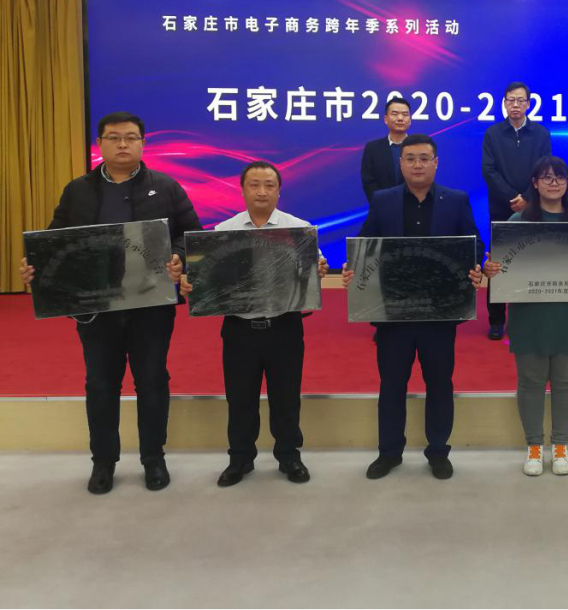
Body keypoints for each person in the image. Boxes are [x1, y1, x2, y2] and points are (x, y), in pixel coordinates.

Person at [19, 112, 200, 495]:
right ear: (100, 143)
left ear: (142, 143)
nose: (122, 144)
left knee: (152, 381)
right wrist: (36, 265)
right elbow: (54, 238)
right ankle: (103, 462)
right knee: (101, 384)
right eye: (114, 137)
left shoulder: (166, 187)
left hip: (151, 305)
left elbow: (191, 235)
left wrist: (179, 258)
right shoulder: (78, 190)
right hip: (96, 306)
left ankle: (153, 459)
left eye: (131, 137)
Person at [342, 134, 485, 481]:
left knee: (440, 383)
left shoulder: (456, 200)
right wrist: (352, 268)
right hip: (393, 311)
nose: (417, 165)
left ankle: (438, 452)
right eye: (410, 159)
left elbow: (474, 244)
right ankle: (389, 453)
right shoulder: (383, 200)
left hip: (440, 312)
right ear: (401, 163)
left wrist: (475, 266)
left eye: (424, 158)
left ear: (436, 163)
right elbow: (365, 244)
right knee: (392, 384)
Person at [179, 161, 328, 487]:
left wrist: (317, 269)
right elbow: (208, 279)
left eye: (269, 185)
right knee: (240, 399)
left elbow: (310, 273)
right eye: (254, 185)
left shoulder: (299, 229)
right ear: (243, 190)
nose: (262, 191)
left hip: (285, 328)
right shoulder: (224, 231)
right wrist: (193, 285)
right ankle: (240, 459)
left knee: (286, 398)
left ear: (279, 190)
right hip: (240, 330)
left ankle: (289, 456)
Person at [482, 156, 568, 476]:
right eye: (546, 177)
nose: (554, 183)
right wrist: (492, 269)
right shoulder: (516, 222)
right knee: (530, 382)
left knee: (567, 382)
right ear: (534, 183)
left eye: (560, 177)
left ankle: (560, 445)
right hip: (528, 315)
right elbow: (501, 268)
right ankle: (534, 446)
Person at [481, 82, 552, 340]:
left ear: (529, 104)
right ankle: (496, 320)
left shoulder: (541, 134)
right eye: (510, 100)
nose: (515, 105)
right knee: (498, 263)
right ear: (504, 103)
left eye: (520, 100)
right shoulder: (493, 133)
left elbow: (545, 169)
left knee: (531, 261)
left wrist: (528, 198)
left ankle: (529, 317)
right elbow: (489, 170)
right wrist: (513, 197)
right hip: (501, 207)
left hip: (533, 209)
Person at [360, 97, 410, 203]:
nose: (400, 118)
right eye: (395, 114)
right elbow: (369, 183)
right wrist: (383, 205)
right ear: (385, 119)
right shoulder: (372, 149)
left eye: (405, 114)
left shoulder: (419, 148)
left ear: (410, 120)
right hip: (381, 208)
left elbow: (424, 181)